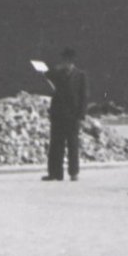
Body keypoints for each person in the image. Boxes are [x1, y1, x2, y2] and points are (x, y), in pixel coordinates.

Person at [42, 47, 88, 182]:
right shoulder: (58, 74)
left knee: (73, 145)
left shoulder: (80, 75)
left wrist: (81, 115)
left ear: (72, 62)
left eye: (68, 61)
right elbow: (47, 76)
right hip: (58, 115)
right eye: (64, 61)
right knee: (56, 145)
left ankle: (73, 172)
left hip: (73, 116)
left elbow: (84, 96)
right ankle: (55, 173)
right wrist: (55, 69)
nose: (66, 63)